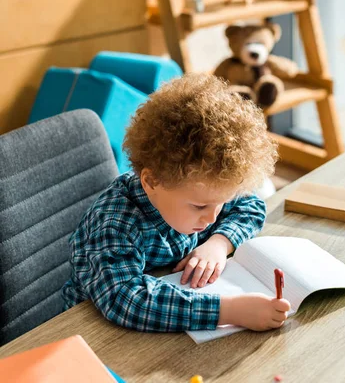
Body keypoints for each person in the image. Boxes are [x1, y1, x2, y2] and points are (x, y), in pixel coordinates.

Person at [62, 74, 290, 332]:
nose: (211, 219)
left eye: (221, 203)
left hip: (167, 319)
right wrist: (229, 311)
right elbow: (126, 299)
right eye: (200, 207)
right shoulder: (114, 223)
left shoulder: (201, 188)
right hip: (93, 335)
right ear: (152, 182)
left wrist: (218, 243)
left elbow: (250, 206)